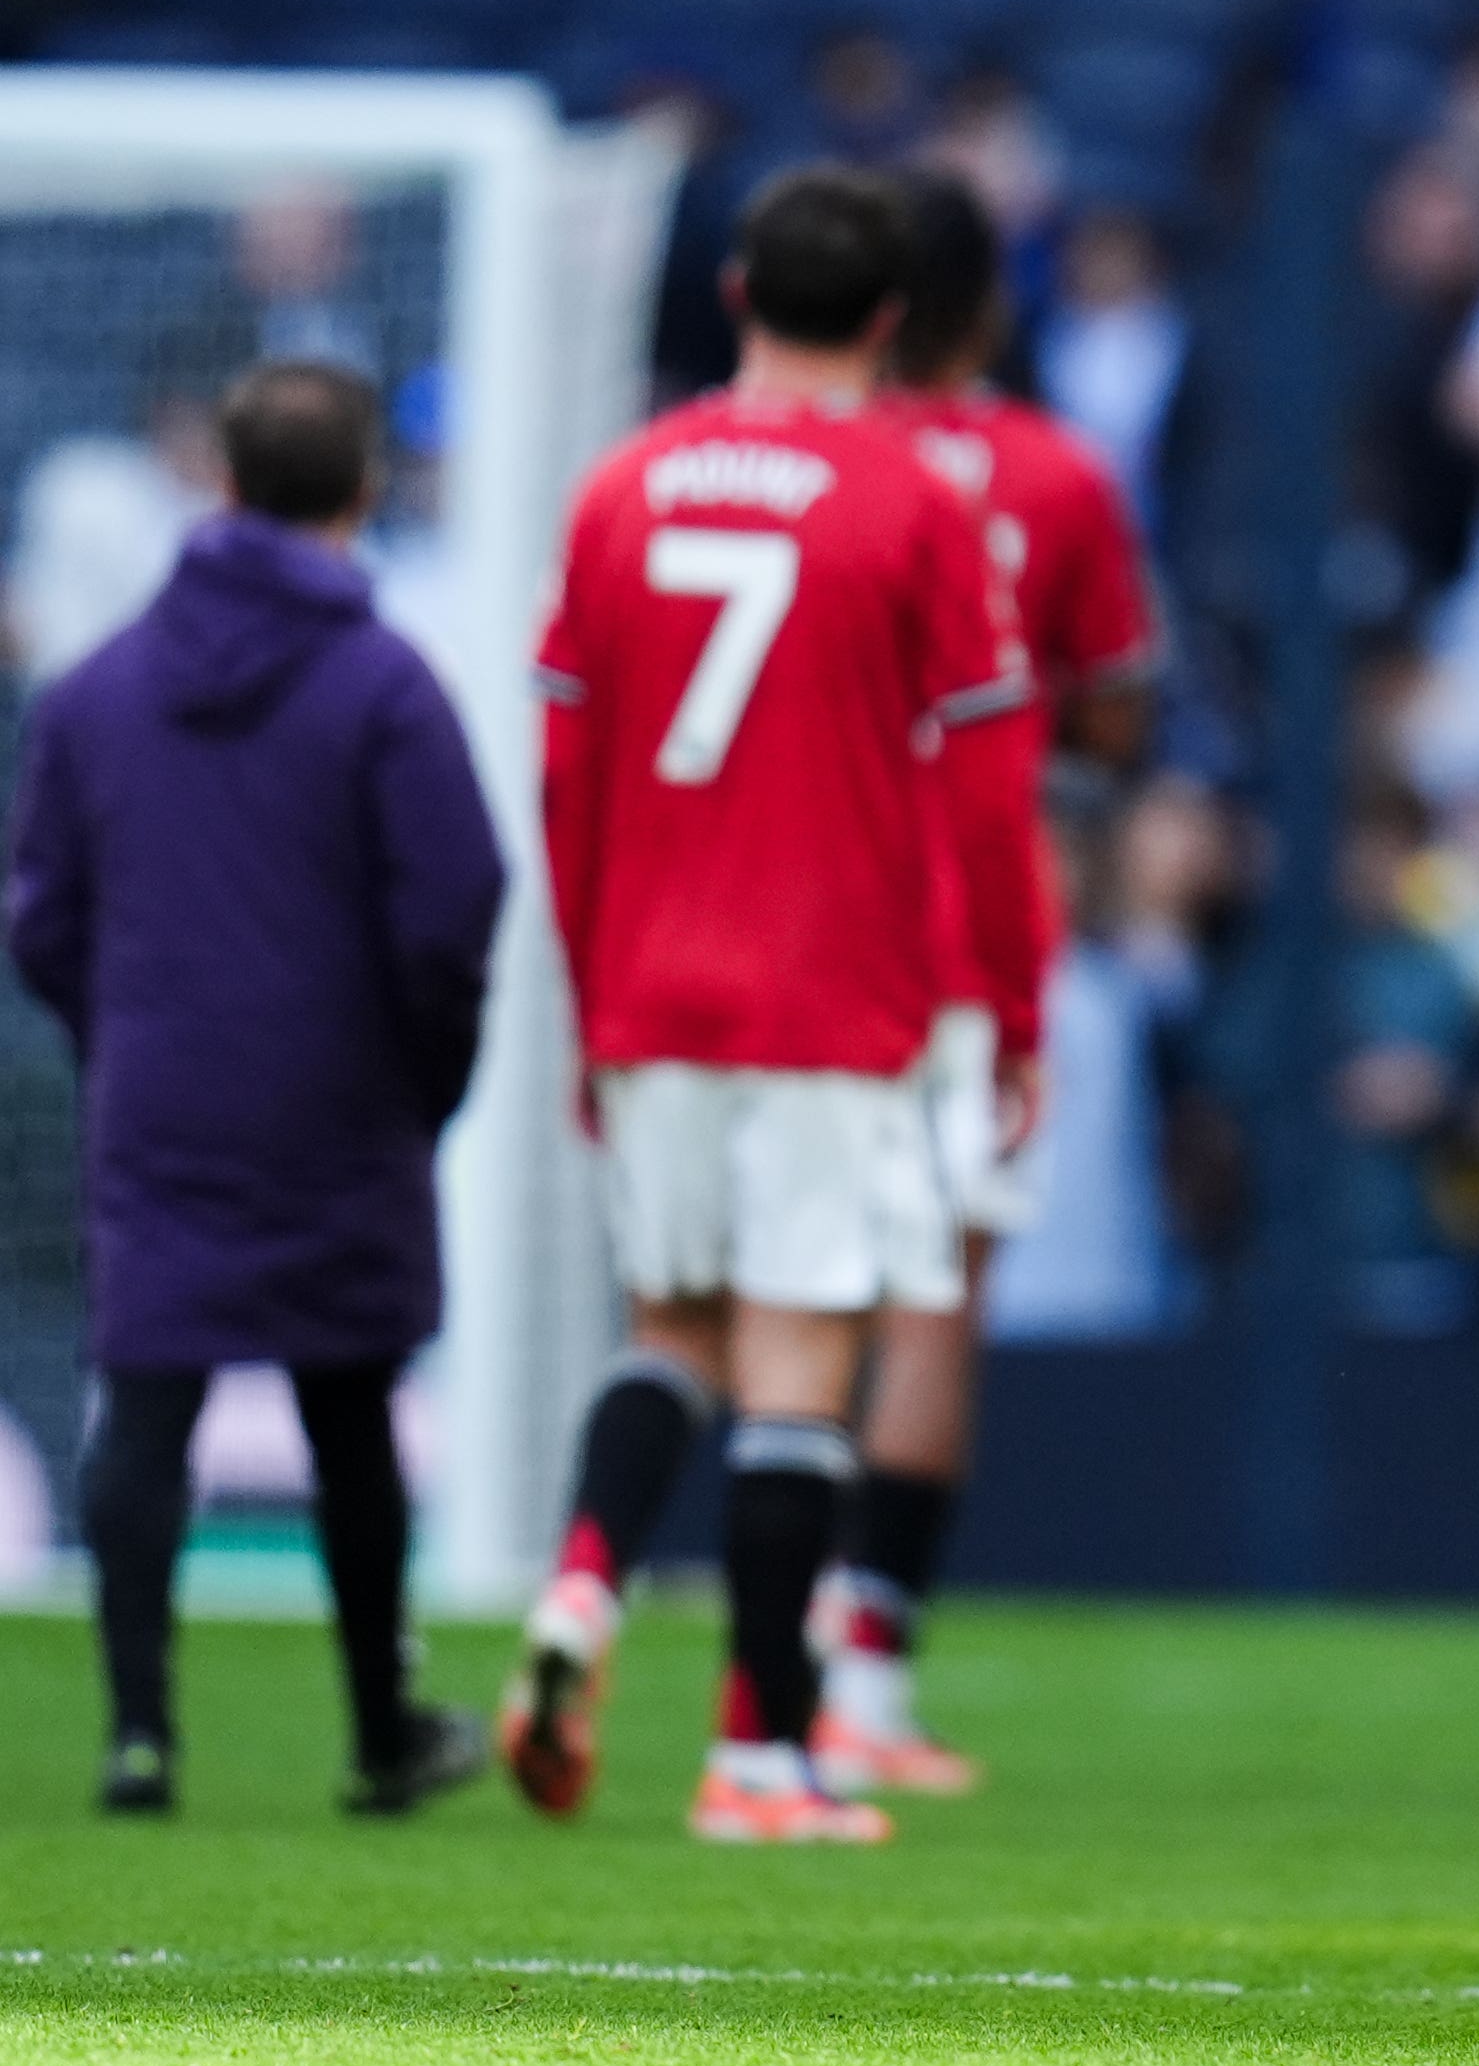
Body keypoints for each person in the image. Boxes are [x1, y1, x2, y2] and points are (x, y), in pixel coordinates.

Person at [501, 164, 1047, 1846]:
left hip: (649, 978)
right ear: (890, 317)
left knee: (672, 1326)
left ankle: (584, 1578)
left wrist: (591, 995)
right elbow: (988, 792)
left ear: (738, 291)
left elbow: (565, 773)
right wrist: (1008, 1007)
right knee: (802, 1363)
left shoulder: (621, 486)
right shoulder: (917, 501)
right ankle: (761, 1755)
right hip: (831, 989)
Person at [5, 361, 504, 1820]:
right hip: (341, 1097)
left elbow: (39, 912)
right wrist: (425, 1072)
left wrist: (122, 1034)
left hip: (161, 1091)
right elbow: (455, 905)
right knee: (351, 1412)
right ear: (363, 492)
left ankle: (139, 1734)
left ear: (220, 485)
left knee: (146, 1398)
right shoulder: (387, 685)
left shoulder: (98, 690)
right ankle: (381, 1731)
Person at [813, 168, 1163, 1800]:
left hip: (796, 909)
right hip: (970, 918)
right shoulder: (1048, 472)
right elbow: (1117, 708)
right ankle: (863, 1678)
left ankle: (752, 1650)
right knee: (934, 1300)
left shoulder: (796, 462)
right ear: (988, 304)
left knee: (790, 1295)